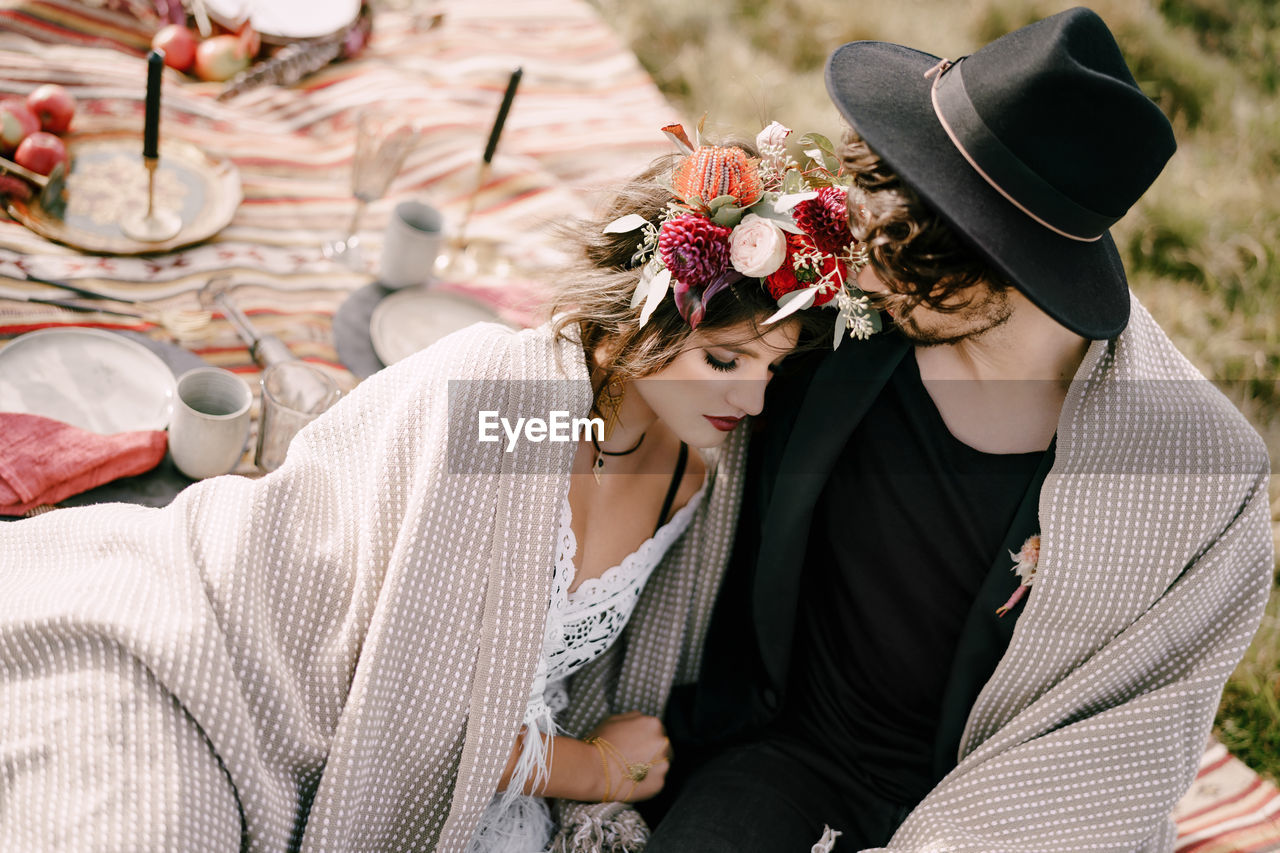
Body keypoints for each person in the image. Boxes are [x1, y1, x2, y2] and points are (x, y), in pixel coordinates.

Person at [0, 126, 866, 852]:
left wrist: (579, 763)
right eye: (724, 360)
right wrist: (592, 768)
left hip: (488, 780)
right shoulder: (512, 401)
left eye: (769, 370)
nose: (750, 401)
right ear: (640, 322)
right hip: (223, 669)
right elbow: (413, 708)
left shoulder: (699, 469)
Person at [634, 8, 1275, 853]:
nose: (862, 263)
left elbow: (1128, 735)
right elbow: (646, 363)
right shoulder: (836, 318)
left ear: (1008, 272)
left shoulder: (1191, 476)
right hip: (783, 755)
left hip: (998, 814)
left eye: (902, 255)